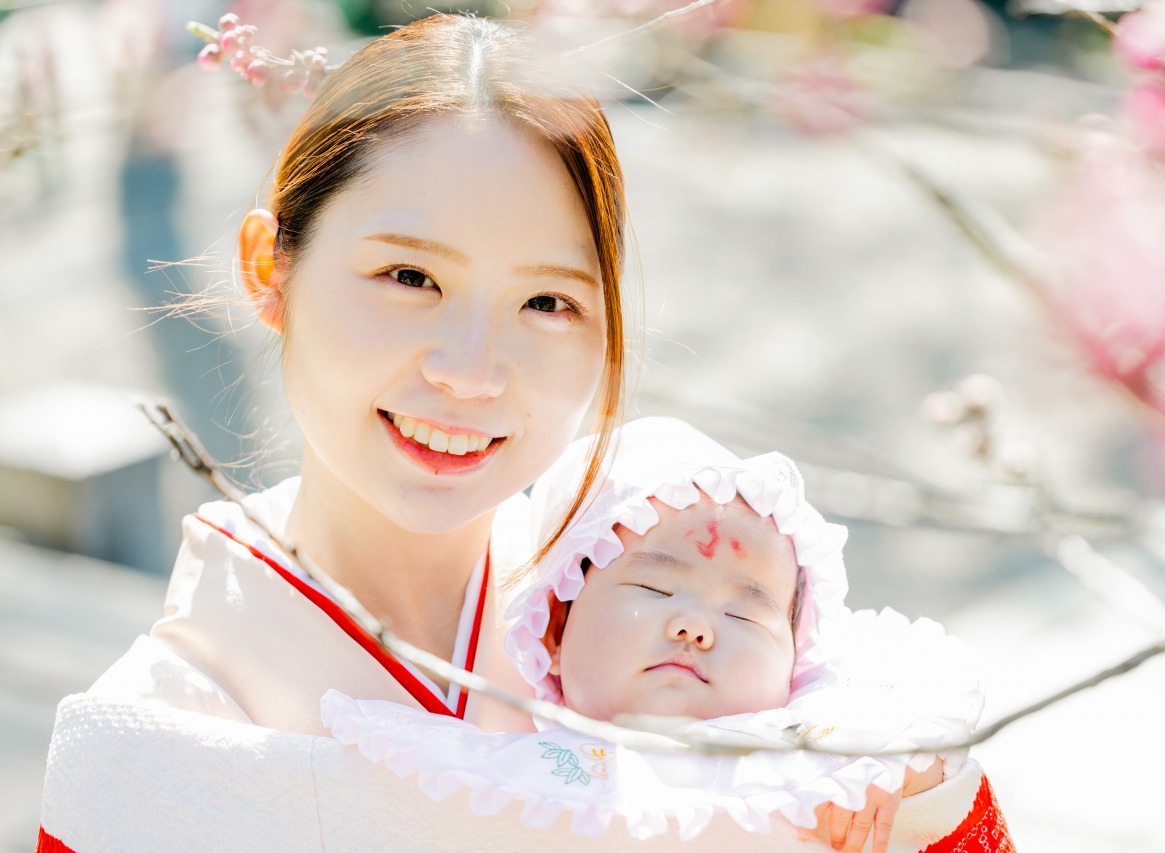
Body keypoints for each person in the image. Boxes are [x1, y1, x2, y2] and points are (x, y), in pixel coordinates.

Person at [39, 13, 1011, 853]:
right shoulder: (158, 739)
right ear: (270, 267)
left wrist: (902, 799)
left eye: (545, 301)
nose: (471, 371)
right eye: (409, 278)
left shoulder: (665, 605)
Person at [324, 417, 1000, 852]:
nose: (695, 625)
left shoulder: (816, 754)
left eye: (745, 613)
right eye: (653, 589)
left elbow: (918, 707)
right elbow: (420, 790)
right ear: (555, 625)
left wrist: (898, 771)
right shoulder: (538, 771)